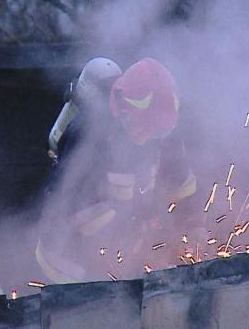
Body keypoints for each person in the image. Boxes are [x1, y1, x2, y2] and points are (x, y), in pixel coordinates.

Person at [37, 58, 199, 282]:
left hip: (122, 253)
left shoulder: (162, 131)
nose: (146, 137)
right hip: (67, 259)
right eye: (142, 127)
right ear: (122, 112)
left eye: (156, 132)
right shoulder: (87, 136)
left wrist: (193, 228)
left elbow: (183, 186)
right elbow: (66, 211)